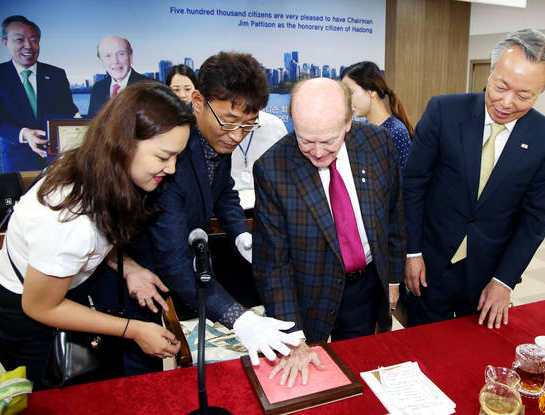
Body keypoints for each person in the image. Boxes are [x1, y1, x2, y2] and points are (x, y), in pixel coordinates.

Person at [0, 82, 191, 390]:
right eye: (163, 157)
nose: (171, 168)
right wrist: (134, 330)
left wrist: (130, 267)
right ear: (124, 143)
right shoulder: (69, 218)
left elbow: (99, 239)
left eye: (177, 156)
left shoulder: (101, 172)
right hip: (27, 311)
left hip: (61, 290)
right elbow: (41, 307)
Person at [122, 52, 301, 371]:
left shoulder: (218, 139)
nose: (236, 135)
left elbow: (224, 191)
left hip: (170, 262)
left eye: (247, 126)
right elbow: (174, 262)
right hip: (140, 272)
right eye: (229, 122)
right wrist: (241, 320)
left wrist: (241, 233)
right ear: (197, 101)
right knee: (135, 370)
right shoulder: (173, 153)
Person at [403, 29, 545, 329]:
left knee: (475, 352)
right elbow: (412, 185)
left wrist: (503, 281)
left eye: (524, 95)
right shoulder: (444, 111)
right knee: (422, 346)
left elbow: (533, 220)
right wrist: (412, 251)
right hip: (428, 263)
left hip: (487, 274)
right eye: (500, 86)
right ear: (491, 72)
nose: (506, 102)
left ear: (541, 92)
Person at [252, 78, 406, 387]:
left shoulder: (378, 143)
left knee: (357, 372)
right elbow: (272, 265)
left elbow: (393, 213)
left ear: (348, 122)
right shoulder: (272, 169)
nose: (319, 152)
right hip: (307, 293)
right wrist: (292, 335)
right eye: (306, 140)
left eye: (329, 141)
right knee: (309, 382)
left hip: (364, 287)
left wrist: (392, 277)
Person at [0, 15, 78, 172]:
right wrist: (24, 133)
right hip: (18, 163)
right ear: (5, 42)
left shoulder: (57, 74)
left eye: (34, 40)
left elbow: (69, 111)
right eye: (19, 40)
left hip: (57, 162)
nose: (28, 46)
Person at [341, 61, 413, 169]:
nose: (347, 100)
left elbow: (405, 176)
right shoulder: (361, 129)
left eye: (351, 92)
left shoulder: (396, 132)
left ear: (372, 92)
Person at [230, 110, 287, 210]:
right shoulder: (220, 124)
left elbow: (285, 169)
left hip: (267, 201)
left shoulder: (275, 126)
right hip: (228, 201)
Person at [87, 35, 149, 117]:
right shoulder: (98, 88)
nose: (115, 61)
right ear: (101, 60)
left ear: (130, 56)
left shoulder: (150, 87)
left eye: (121, 54)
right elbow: (92, 122)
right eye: (108, 56)